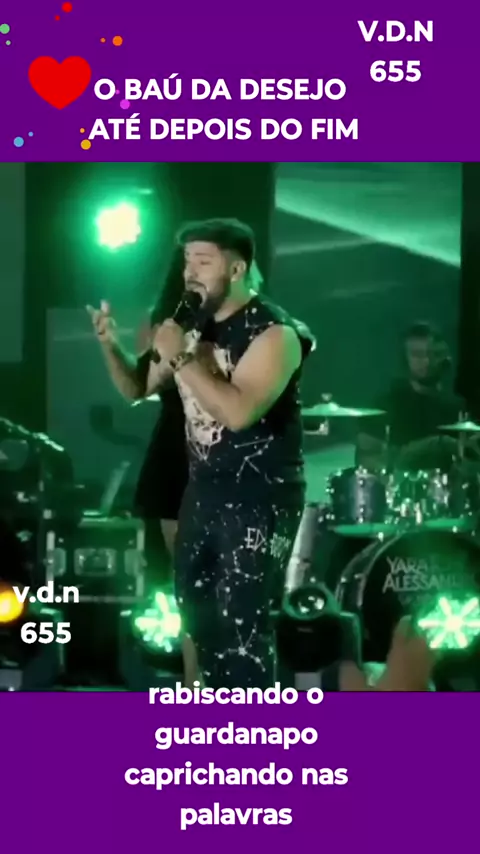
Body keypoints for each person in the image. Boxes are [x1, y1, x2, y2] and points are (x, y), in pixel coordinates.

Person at [147, 217, 314, 690]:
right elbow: (143, 385)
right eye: (187, 262)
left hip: (258, 496)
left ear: (237, 269)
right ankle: (204, 721)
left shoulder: (275, 332)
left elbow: (239, 412)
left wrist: (182, 357)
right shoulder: (195, 326)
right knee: (196, 621)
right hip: (203, 491)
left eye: (204, 262)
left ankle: (247, 727)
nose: (191, 273)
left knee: (241, 627)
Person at [87, 249, 189, 577]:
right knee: (183, 577)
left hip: (234, 456)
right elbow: (136, 387)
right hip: (179, 454)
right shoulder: (175, 325)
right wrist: (109, 343)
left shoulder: (256, 324)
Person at [357, 321, 464, 471]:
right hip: (400, 483)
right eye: (417, 355)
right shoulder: (385, 405)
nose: (426, 361)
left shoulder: (456, 407)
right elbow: (367, 459)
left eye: (434, 354)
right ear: (405, 359)